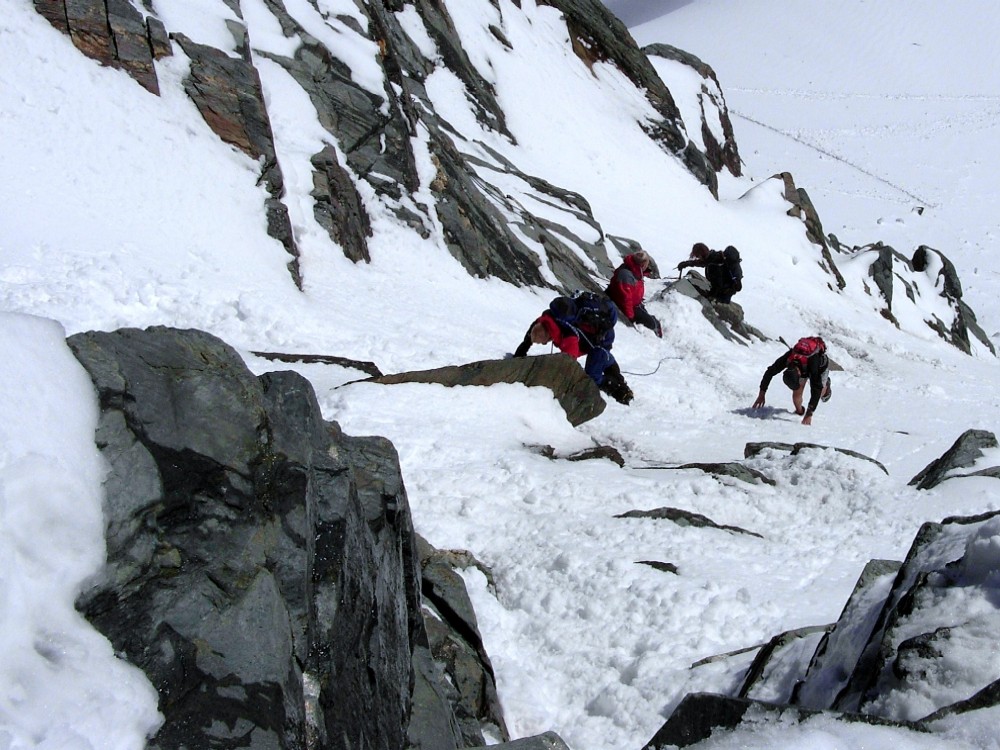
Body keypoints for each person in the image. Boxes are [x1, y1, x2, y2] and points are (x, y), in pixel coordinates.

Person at [513, 292, 634, 405]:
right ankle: (618, 383)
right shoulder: (547, 318)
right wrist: (521, 351)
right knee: (597, 367)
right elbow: (531, 334)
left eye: (543, 342)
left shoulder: (568, 336)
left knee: (593, 374)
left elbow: (569, 364)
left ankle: (618, 390)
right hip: (594, 339)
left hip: (602, 341)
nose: (544, 344)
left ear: (548, 336)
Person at [751, 336, 832, 425]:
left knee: (820, 391)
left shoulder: (813, 362)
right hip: (804, 368)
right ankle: (799, 411)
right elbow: (770, 372)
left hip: (819, 368)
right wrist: (761, 394)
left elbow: (816, 388)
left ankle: (827, 386)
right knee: (796, 395)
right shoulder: (788, 358)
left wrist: (809, 413)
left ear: (798, 374)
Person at [606, 251, 662, 337]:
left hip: (635, 305)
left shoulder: (634, 270)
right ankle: (657, 337)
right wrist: (630, 316)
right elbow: (625, 299)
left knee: (651, 320)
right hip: (628, 307)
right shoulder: (626, 275)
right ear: (643, 264)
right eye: (647, 264)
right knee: (653, 324)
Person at [677, 243, 743, 303]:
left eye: (697, 256)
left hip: (724, 294)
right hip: (727, 288)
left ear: (701, 255)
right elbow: (703, 263)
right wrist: (687, 263)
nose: (697, 258)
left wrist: (709, 295)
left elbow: (718, 284)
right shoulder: (714, 256)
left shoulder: (713, 266)